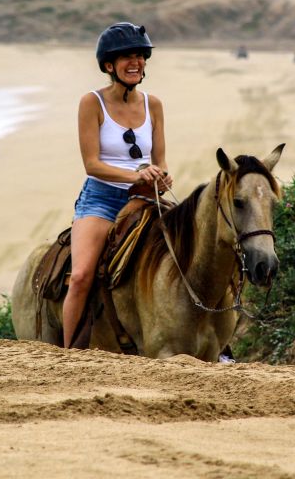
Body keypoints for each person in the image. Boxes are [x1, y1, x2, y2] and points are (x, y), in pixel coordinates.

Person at [63, 22, 172, 348]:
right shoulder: (91, 103)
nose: (135, 62)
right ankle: (69, 353)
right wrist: (136, 175)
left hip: (146, 198)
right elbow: (92, 164)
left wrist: (162, 176)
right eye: (127, 57)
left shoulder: (154, 105)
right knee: (81, 276)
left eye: (139, 56)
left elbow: (161, 159)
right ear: (109, 65)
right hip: (101, 199)